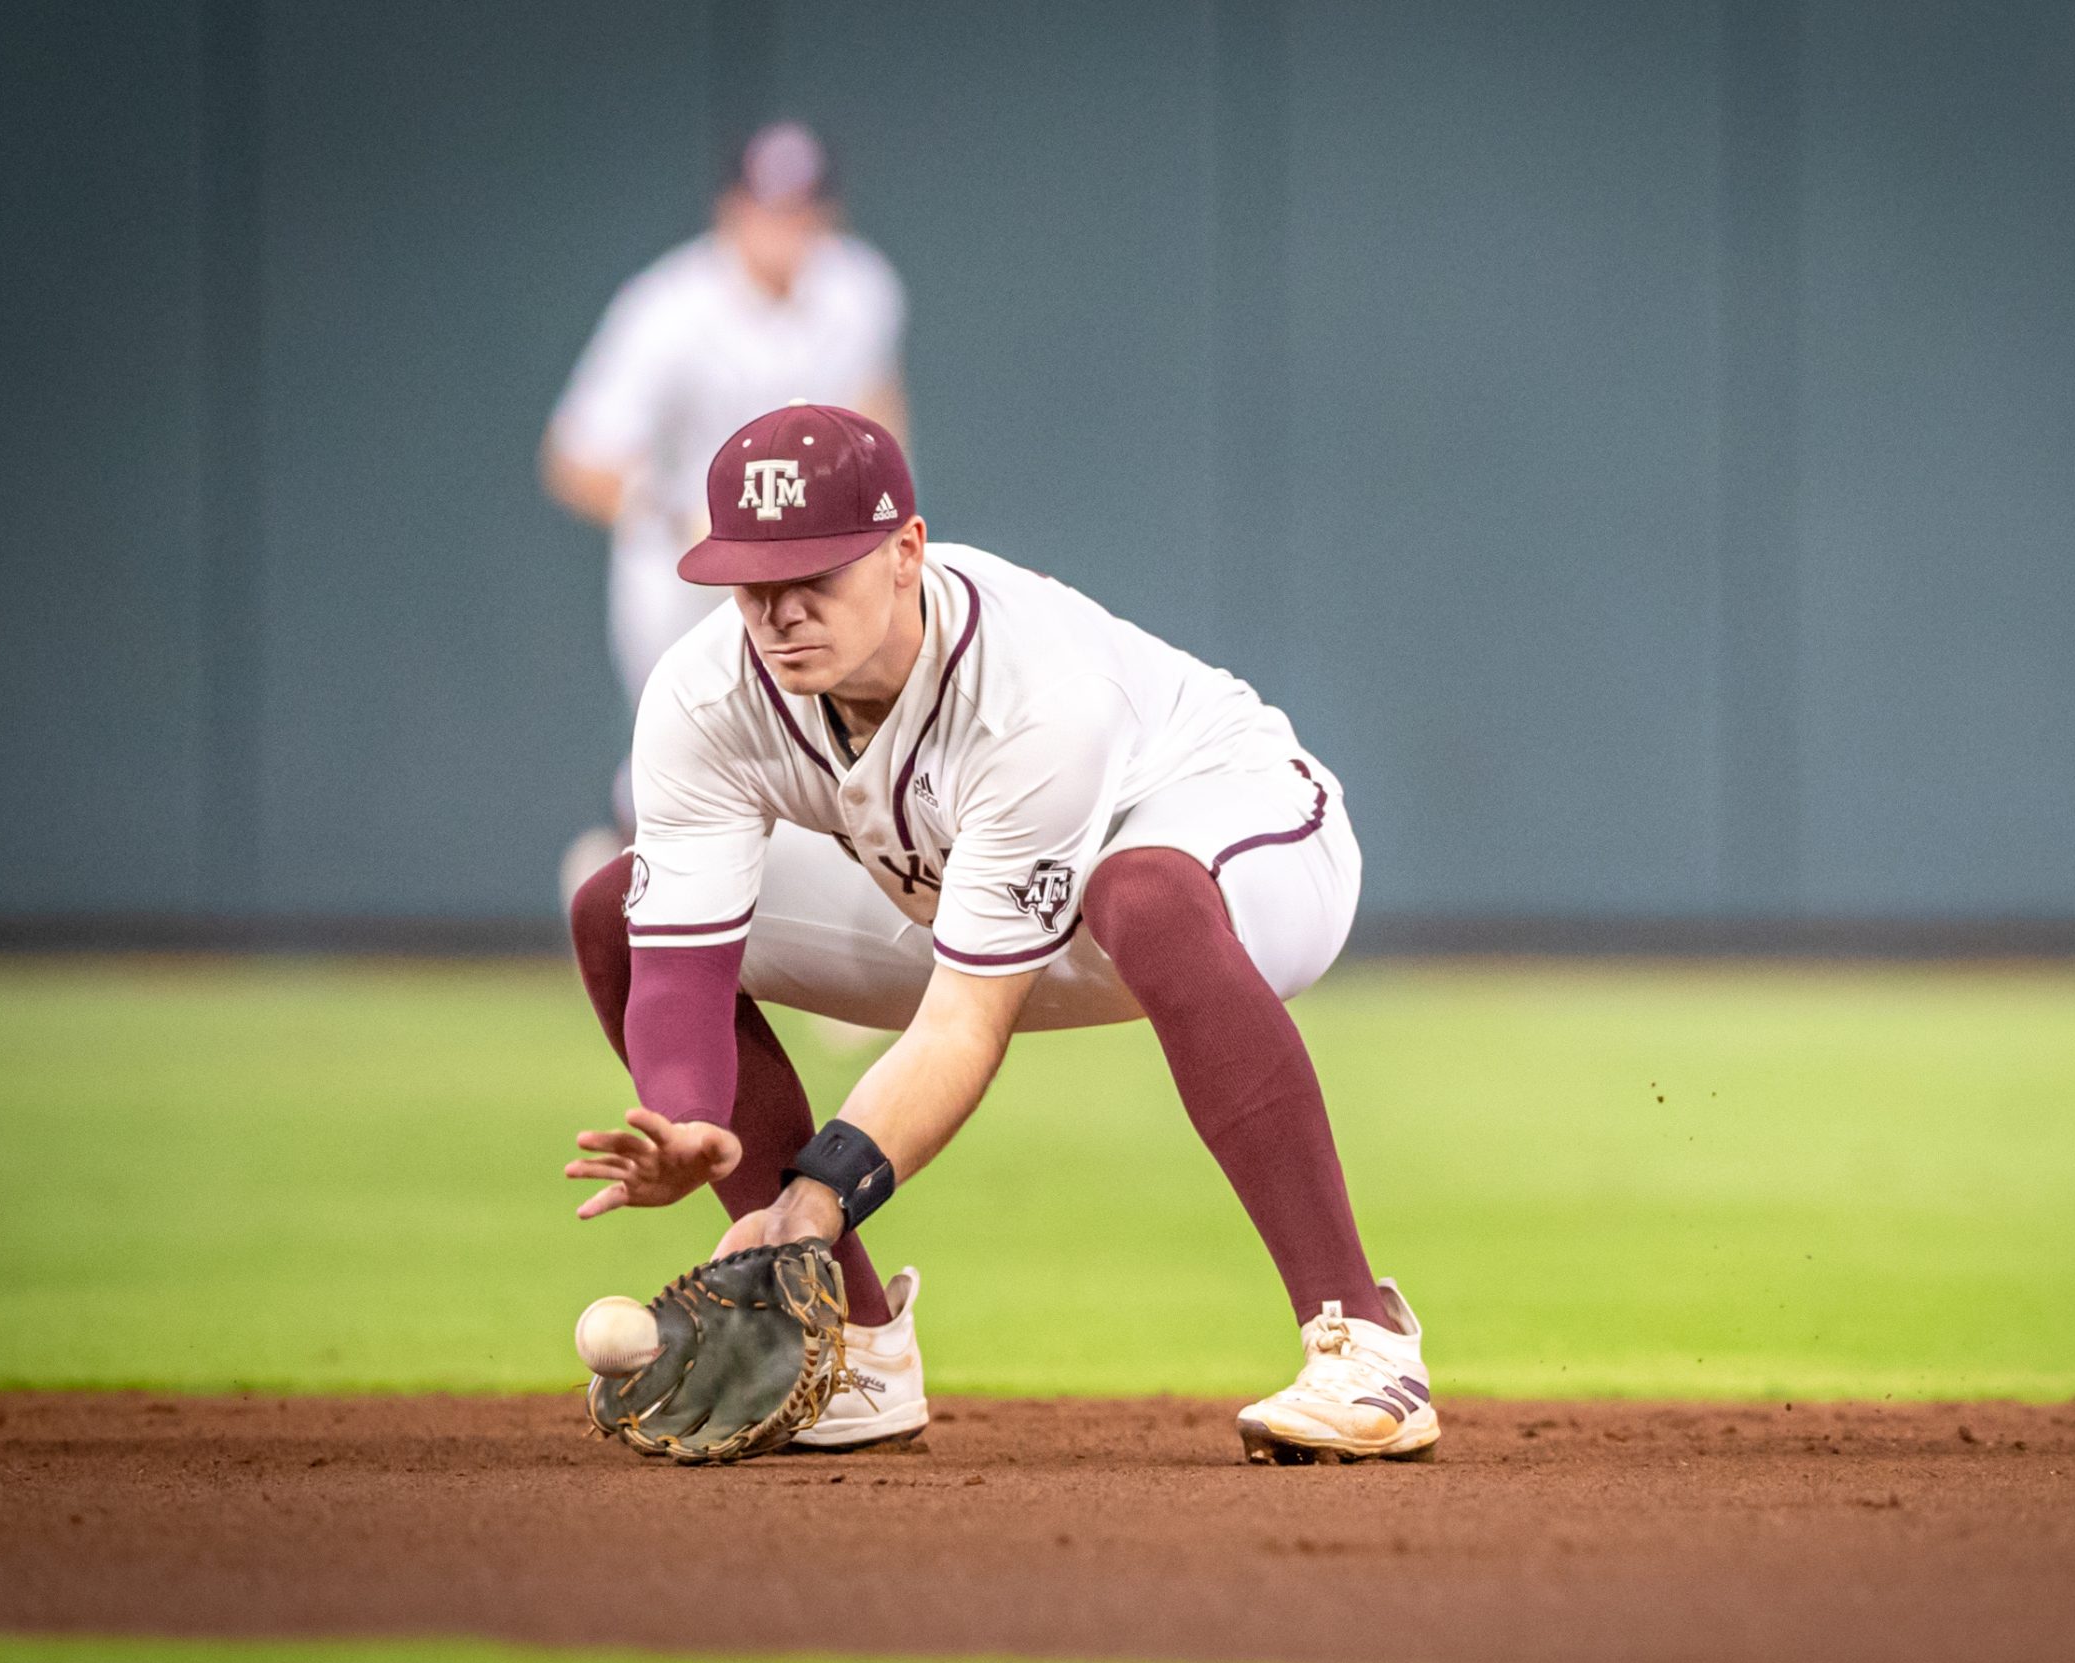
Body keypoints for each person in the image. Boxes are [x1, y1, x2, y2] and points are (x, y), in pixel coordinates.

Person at [562, 403, 1435, 1464]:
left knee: (1143, 893)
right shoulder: (704, 694)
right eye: (753, 582)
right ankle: (849, 1349)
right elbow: (682, 961)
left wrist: (817, 1194)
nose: (780, 612)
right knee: (614, 907)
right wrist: (692, 1121)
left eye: (816, 577)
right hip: (947, 880)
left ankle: (1364, 1344)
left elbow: (961, 1028)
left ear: (904, 554)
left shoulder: (1033, 689)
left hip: (1234, 846)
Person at [544, 121, 907, 891]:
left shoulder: (859, 288)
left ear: (826, 215)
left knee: (836, 724)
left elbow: (877, 406)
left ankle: (837, 927)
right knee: (684, 741)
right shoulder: (667, 307)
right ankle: (622, 874)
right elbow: (574, 458)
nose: (784, 229)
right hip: (681, 566)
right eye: (768, 209)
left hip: (810, 559)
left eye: (801, 210)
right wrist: (682, 514)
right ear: (731, 211)